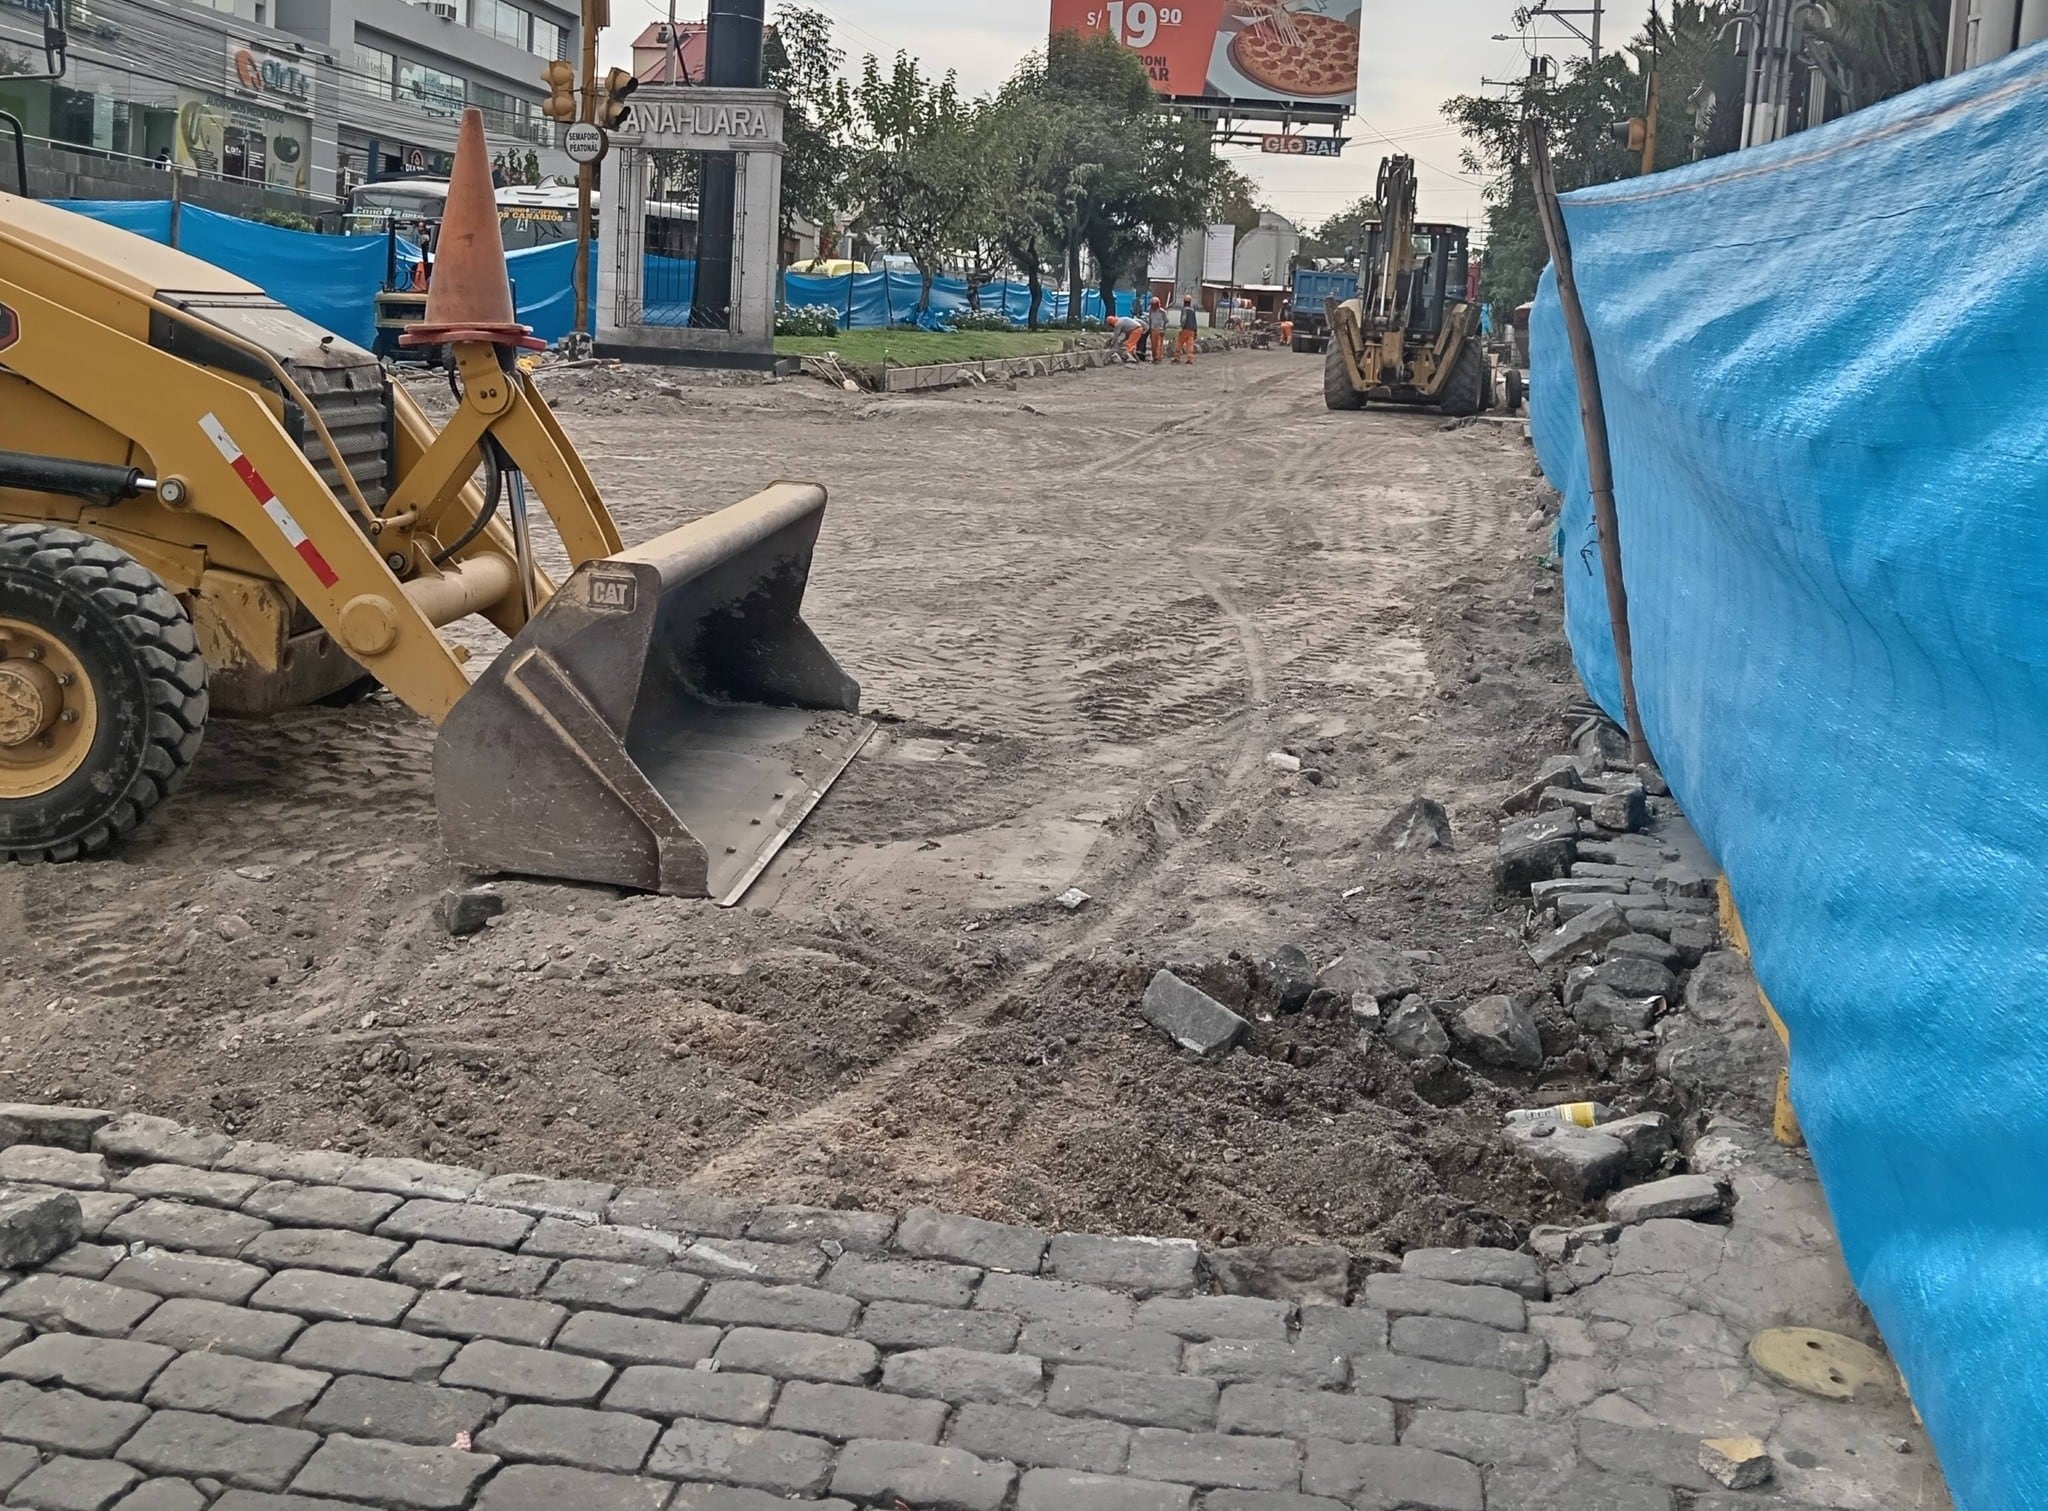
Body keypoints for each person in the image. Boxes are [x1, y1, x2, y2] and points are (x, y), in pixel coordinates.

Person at [1175, 295, 1199, 365]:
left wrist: (1181, 327)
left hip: (1185, 329)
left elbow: (1183, 319)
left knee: (1179, 343)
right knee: (1190, 345)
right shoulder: (1193, 310)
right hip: (1192, 330)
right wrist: (1195, 331)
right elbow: (1195, 321)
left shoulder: (1184, 309)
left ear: (1184, 302)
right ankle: (1190, 359)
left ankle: (1177, 357)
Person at [1146, 296, 1167, 364]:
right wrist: (1149, 329)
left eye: (1155, 304)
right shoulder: (1150, 311)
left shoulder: (1162, 312)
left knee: (1159, 345)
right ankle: (1154, 357)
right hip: (1152, 329)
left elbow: (1166, 321)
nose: (1154, 306)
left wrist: (1163, 330)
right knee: (1153, 345)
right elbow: (1149, 320)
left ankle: (1158, 358)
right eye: (1153, 304)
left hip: (1160, 330)